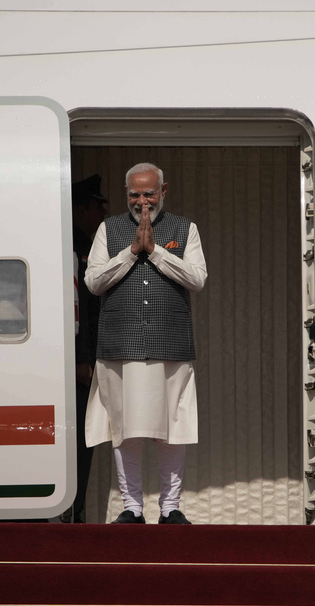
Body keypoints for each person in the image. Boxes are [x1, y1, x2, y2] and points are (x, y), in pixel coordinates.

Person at [84, 162, 207, 524]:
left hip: (171, 347)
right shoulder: (109, 229)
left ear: (163, 191)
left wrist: (156, 252)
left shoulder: (186, 229)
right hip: (120, 347)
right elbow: (93, 281)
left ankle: (170, 508)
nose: (142, 201)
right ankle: (131, 508)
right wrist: (131, 252)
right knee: (126, 432)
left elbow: (197, 279)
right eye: (134, 194)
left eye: (149, 193)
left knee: (172, 430)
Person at [64, 174, 107, 523]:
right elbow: (77, 310)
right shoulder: (73, 248)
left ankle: (74, 512)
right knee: (77, 442)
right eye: (96, 207)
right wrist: (81, 359)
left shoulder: (87, 246)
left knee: (86, 439)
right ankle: (71, 514)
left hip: (87, 363)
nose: (101, 215)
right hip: (77, 367)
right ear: (80, 209)